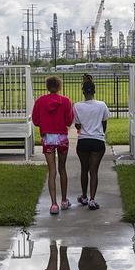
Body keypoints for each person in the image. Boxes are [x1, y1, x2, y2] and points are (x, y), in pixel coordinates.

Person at [32, 75, 74, 215]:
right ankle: (64, 200)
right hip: (62, 137)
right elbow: (69, 121)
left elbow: (36, 121)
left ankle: (54, 204)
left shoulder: (39, 101)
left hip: (48, 138)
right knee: (62, 169)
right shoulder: (66, 101)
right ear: (59, 86)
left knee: (52, 171)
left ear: (47, 86)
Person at [73, 74, 110, 210]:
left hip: (83, 141)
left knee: (84, 169)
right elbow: (104, 123)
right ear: (94, 91)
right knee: (93, 171)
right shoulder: (102, 105)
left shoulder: (77, 106)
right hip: (97, 141)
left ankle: (84, 196)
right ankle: (92, 200)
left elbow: (77, 125)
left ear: (83, 92)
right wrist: (100, 133)